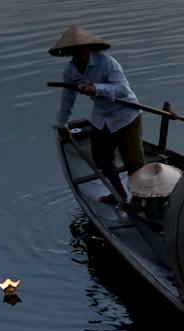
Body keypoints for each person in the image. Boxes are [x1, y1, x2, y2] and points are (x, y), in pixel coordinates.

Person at [49, 25, 142, 206]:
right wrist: (62, 125)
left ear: (90, 47)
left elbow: (122, 90)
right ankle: (118, 193)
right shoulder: (71, 71)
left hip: (126, 115)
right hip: (102, 116)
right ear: (69, 52)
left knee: (134, 163)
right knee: (101, 160)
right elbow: (67, 99)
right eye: (74, 50)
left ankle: (139, 198)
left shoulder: (107, 63)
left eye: (82, 48)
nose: (79, 52)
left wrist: (97, 88)